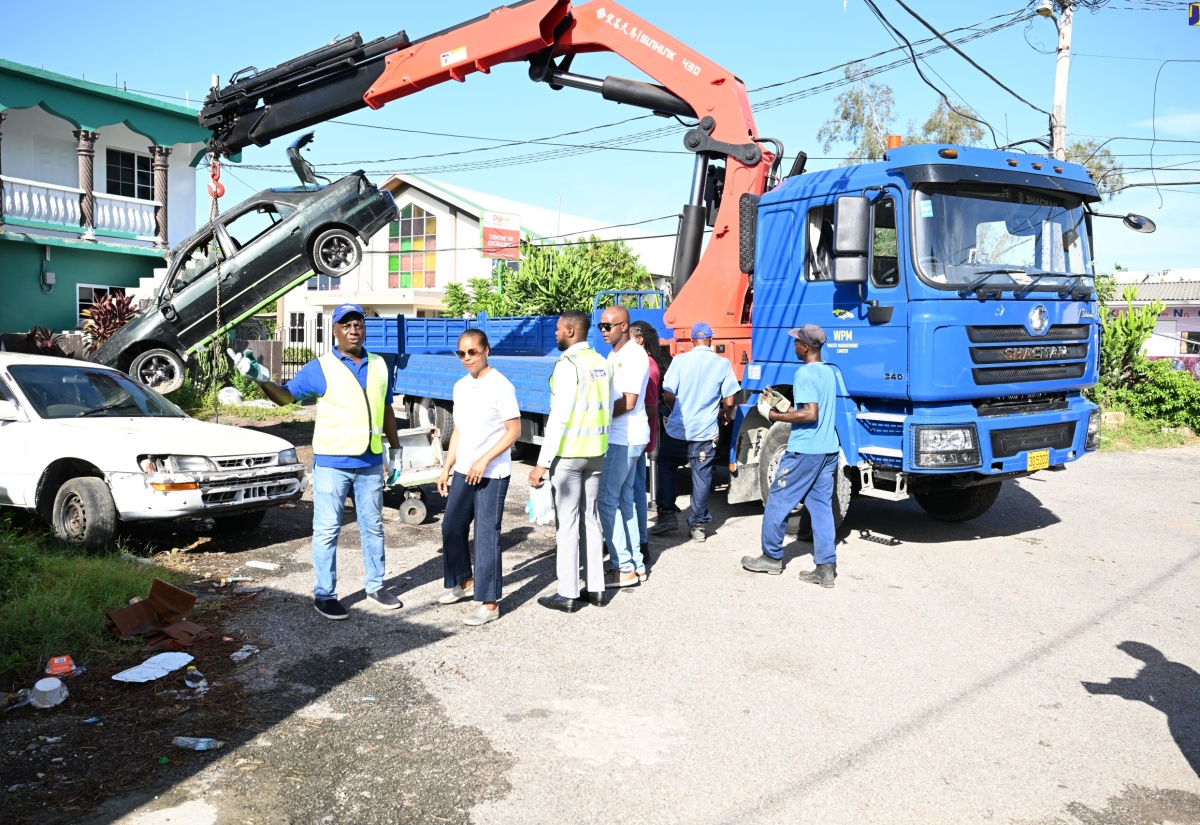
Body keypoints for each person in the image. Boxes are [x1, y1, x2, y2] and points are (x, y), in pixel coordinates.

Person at [232, 303, 403, 619]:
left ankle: (376, 585)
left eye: (358, 324)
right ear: (335, 330)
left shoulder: (379, 365)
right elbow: (285, 397)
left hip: (369, 462)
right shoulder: (320, 367)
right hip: (332, 464)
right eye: (346, 325)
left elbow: (387, 408)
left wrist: (396, 449)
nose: (354, 329)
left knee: (373, 526)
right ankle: (325, 594)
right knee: (327, 530)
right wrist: (260, 379)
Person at [741, 325, 841, 586]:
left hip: (805, 450)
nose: (794, 345)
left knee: (777, 499)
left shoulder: (805, 373)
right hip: (827, 449)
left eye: (797, 342)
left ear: (806, 348)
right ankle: (825, 567)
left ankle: (771, 557)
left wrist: (773, 415)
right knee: (820, 507)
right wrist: (783, 404)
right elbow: (813, 408)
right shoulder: (828, 371)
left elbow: (810, 413)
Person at [436, 329, 521, 626]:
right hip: (463, 470)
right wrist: (447, 466)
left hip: (492, 474)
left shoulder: (501, 386)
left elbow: (514, 431)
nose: (467, 358)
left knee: (486, 536)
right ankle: (464, 582)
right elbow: (459, 429)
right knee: (451, 527)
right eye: (461, 353)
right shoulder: (461, 386)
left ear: (487, 351)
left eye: (472, 352)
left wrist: (485, 460)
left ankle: (489, 603)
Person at [529, 310, 611, 613]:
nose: (555, 334)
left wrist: (542, 462)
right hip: (597, 453)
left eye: (559, 329)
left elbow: (559, 417)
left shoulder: (568, 365)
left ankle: (567, 593)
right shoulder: (602, 364)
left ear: (572, 331)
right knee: (591, 518)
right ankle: (596, 589)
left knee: (568, 524)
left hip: (570, 454)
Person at [650, 322, 740, 543]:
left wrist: (676, 413)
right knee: (702, 476)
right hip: (705, 433)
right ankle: (698, 526)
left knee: (667, 466)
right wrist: (727, 415)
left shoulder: (680, 361)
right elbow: (729, 401)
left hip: (678, 430)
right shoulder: (722, 364)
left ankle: (667, 515)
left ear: (692, 340)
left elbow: (669, 396)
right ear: (711, 339)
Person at [596, 306, 651, 589]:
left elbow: (628, 402)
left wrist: (595, 413)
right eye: (601, 326)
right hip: (624, 436)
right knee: (624, 500)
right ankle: (636, 566)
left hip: (624, 437)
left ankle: (624, 567)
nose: (603, 330)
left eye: (608, 326)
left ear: (624, 326)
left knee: (606, 500)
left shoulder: (632, 355)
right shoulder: (615, 353)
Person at [630, 320, 668, 568]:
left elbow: (651, 408)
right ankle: (639, 543)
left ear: (640, 339)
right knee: (634, 492)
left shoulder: (647, 365)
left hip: (636, 436)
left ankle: (638, 545)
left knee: (631, 494)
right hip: (641, 435)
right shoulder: (648, 362)